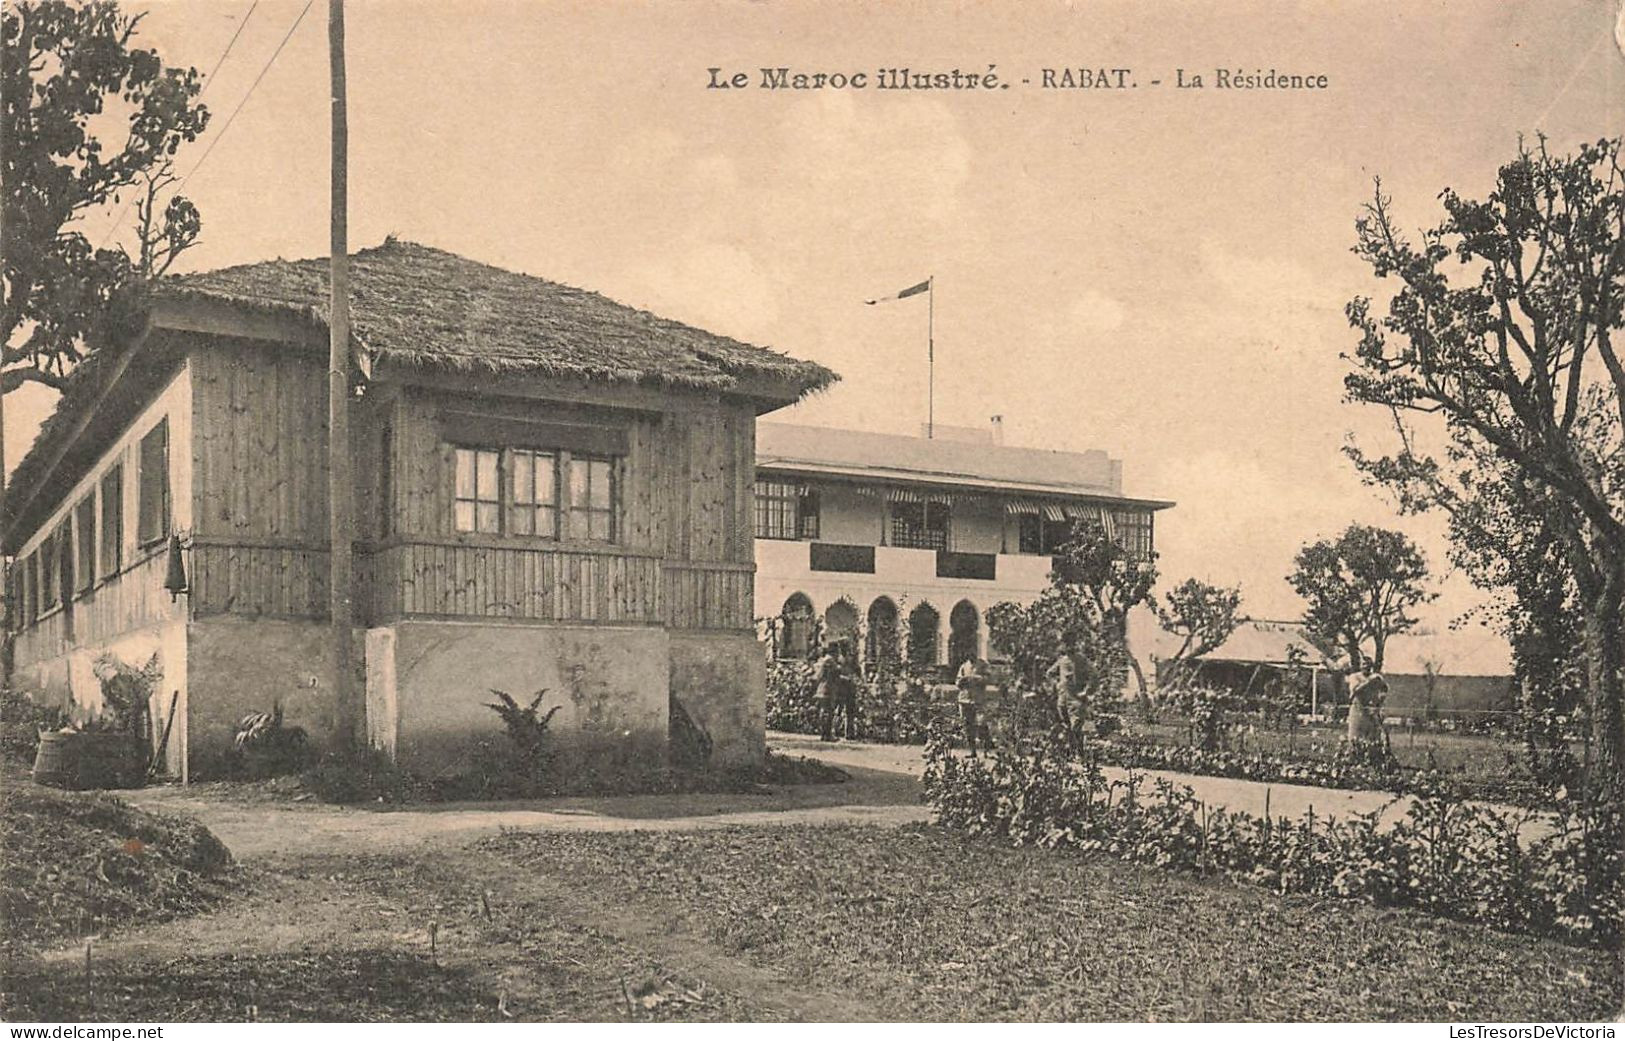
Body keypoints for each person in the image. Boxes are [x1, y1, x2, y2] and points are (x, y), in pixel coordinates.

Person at [955, 654, 991, 756]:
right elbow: (957, 682)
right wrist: (962, 680)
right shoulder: (964, 666)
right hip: (965, 699)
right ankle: (972, 751)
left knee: (981, 725)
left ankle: (986, 751)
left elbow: (988, 678)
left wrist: (975, 678)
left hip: (978, 700)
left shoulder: (983, 665)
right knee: (967, 726)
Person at [812, 645, 841, 741]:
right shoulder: (830, 661)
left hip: (821, 688)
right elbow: (836, 673)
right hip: (828, 688)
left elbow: (818, 676)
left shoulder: (823, 660)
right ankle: (827, 734)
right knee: (829, 712)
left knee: (823, 711)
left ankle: (824, 734)